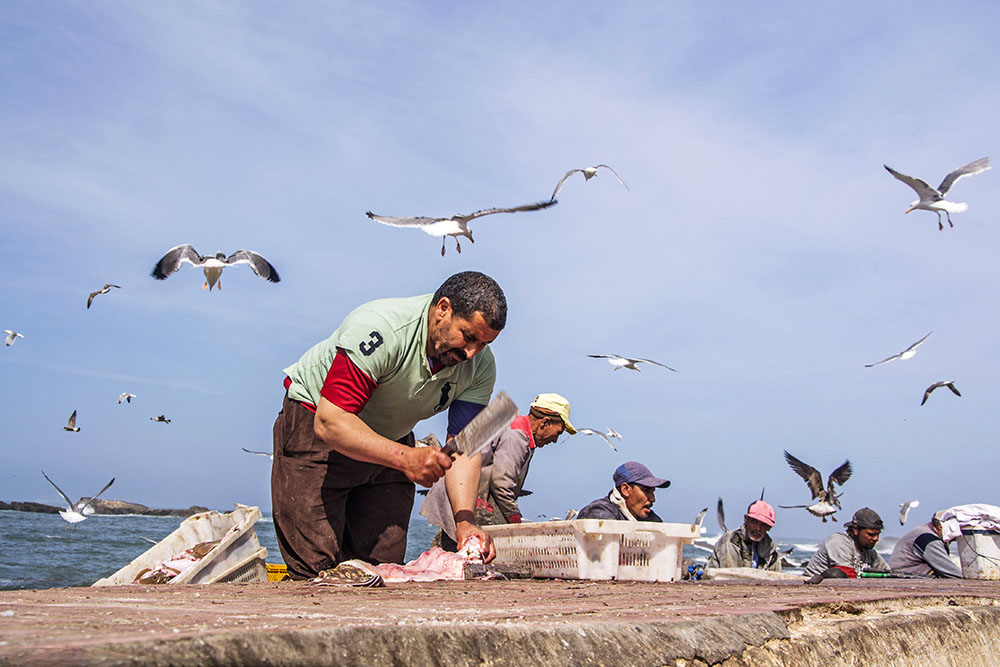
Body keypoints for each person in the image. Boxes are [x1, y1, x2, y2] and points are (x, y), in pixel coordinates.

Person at [271, 271, 505, 579]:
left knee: (383, 567)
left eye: (484, 344)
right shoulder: (381, 328)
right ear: (443, 309)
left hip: (392, 437)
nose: (472, 353)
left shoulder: (482, 366)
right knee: (315, 569)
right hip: (318, 424)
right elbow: (331, 421)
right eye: (469, 337)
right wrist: (407, 458)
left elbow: (466, 447)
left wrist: (464, 521)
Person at [420, 393, 576, 548]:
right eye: (558, 432)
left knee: (452, 553)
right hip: (460, 497)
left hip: (458, 497)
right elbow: (501, 485)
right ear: (545, 422)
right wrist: (516, 523)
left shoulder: (512, 425)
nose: (555, 440)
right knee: (463, 554)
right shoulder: (517, 436)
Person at [804, 507, 889, 577]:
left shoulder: (870, 553)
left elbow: (888, 573)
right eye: (871, 535)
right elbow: (848, 575)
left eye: (878, 535)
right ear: (855, 530)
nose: (876, 539)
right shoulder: (838, 542)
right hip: (814, 587)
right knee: (836, 574)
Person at [576, 462, 670, 522]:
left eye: (653, 491)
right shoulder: (599, 513)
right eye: (646, 490)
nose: (653, 499)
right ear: (625, 489)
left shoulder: (651, 519)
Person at [706, 500, 782, 572]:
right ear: (746, 519)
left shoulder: (771, 550)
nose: (758, 528)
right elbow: (731, 576)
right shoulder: (731, 540)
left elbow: (777, 579)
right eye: (754, 522)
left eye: (763, 525)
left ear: (769, 528)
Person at [889, 511, 964, 578]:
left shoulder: (923, 529)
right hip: (905, 577)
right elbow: (953, 573)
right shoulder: (929, 540)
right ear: (939, 526)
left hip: (905, 574)